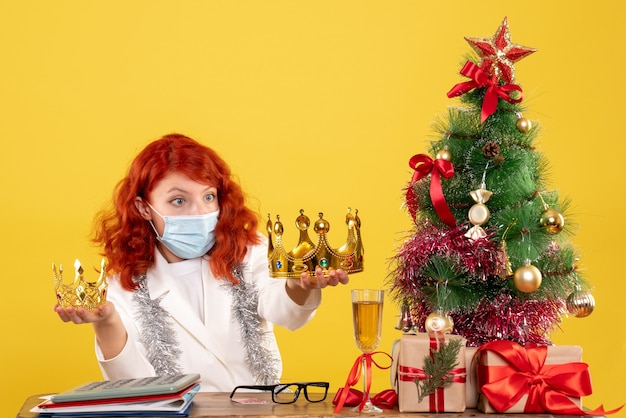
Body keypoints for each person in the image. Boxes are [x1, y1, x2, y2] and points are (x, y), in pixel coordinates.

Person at [54, 133, 349, 391]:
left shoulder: (249, 252)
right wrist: (107, 323)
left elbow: (286, 311)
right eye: (179, 201)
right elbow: (133, 385)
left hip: (259, 412)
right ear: (144, 208)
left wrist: (299, 284)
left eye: (209, 197)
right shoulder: (124, 285)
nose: (199, 212)